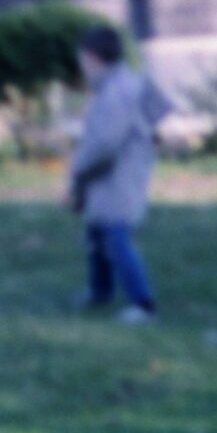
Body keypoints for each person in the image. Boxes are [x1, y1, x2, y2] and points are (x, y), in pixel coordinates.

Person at [66, 23, 173, 323]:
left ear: (91, 57)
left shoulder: (115, 91)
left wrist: (77, 172)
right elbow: (160, 113)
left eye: (82, 58)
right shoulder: (130, 80)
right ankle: (100, 291)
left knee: (116, 235)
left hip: (118, 172)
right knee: (96, 231)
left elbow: (105, 144)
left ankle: (143, 303)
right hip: (128, 164)